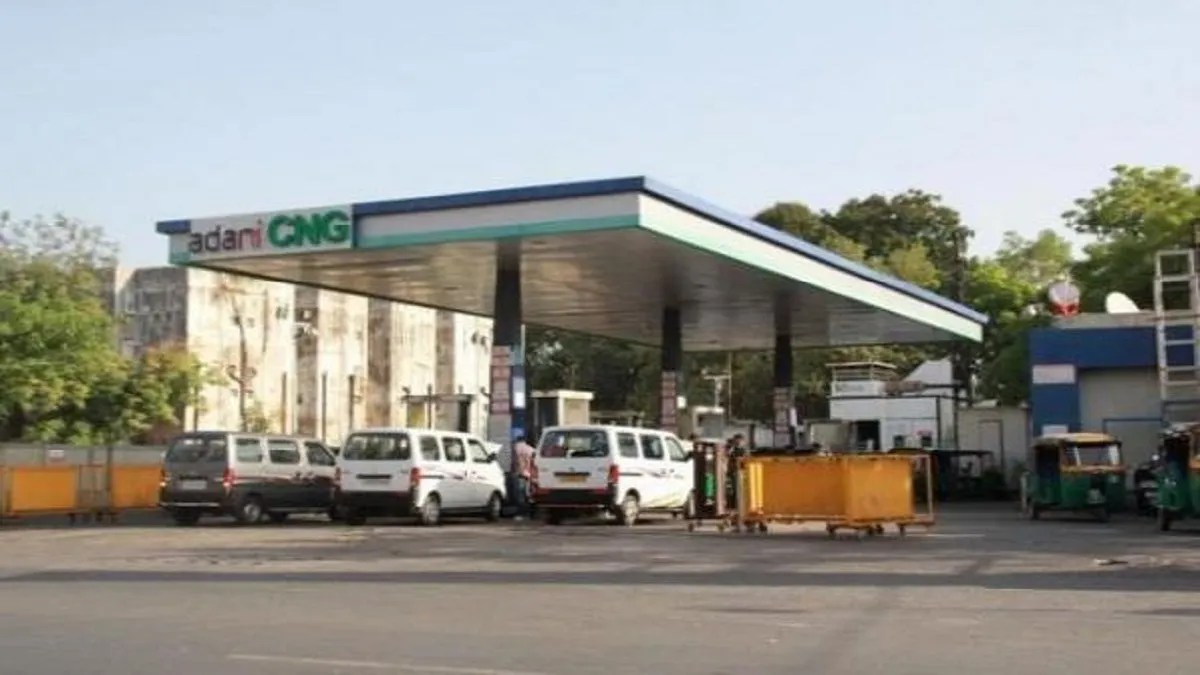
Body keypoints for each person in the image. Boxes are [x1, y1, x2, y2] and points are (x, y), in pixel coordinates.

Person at [512, 435, 536, 520]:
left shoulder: (516, 448)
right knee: (529, 494)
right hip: (529, 474)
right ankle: (531, 514)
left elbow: (515, 461)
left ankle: (521, 514)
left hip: (520, 474)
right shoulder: (531, 449)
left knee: (520, 495)